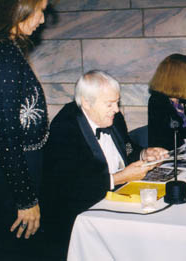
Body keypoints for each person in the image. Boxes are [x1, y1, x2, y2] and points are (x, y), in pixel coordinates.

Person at [40, 70, 167, 259]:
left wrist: (145, 153)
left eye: (117, 102)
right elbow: (68, 186)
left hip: (117, 202)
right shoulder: (64, 128)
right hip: (79, 219)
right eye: (110, 104)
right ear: (86, 102)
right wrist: (118, 178)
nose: (116, 109)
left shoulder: (114, 119)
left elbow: (127, 149)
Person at [0, 0, 49, 260]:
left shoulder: (7, 50)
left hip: (17, 172)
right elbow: (4, 135)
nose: (43, 20)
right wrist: (25, 199)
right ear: (20, 8)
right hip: (10, 179)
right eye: (41, 10)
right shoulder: (2, 53)